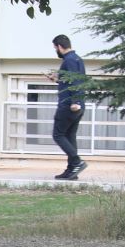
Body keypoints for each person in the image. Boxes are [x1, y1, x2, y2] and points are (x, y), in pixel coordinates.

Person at [50, 34, 87, 180]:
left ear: (59, 47)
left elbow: (75, 82)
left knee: (58, 135)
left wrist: (75, 102)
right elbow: (71, 81)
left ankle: (77, 162)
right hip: (78, 104)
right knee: (70, 136)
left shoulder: (69, 60)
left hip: (69, 105)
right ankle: (72, 170)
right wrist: (57, 79)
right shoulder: (77, 58)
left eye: (55, 48)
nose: (56, 51)